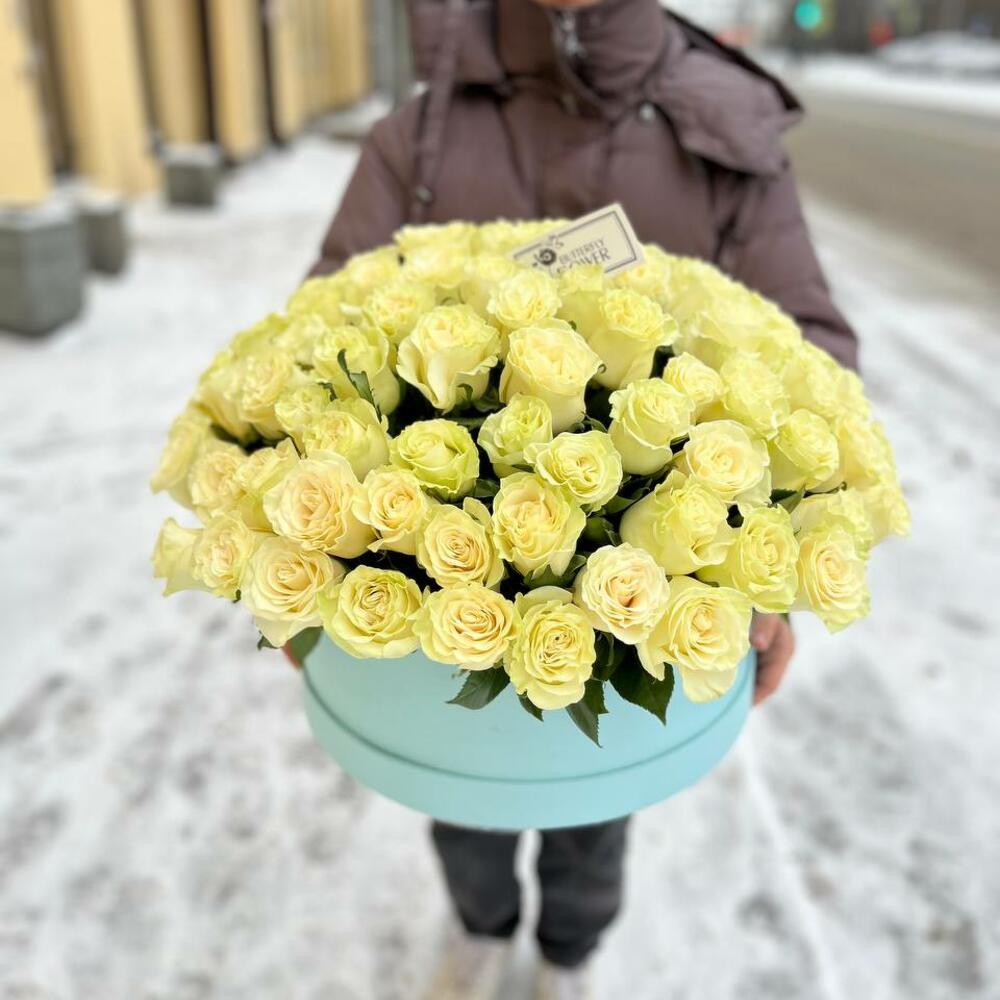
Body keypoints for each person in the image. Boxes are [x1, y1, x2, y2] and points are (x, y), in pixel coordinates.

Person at [307, 1, 855, 996]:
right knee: (460, 789)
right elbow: (321, 330)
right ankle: (481, 929)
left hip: (641, 598)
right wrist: (304, 547)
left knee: (597, 807)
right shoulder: (425, 129)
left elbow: (811, 358)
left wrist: (773, 556)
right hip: (435, 597)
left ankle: (569, 952)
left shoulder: (723, 135)